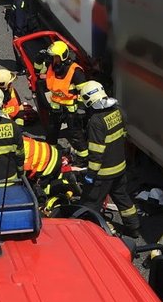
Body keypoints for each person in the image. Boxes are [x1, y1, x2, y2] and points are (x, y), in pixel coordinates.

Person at [76, 81, 141, 239]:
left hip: (103, 173)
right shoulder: (117, 111)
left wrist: (91, 174)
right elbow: (123, 136)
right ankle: (134, 228)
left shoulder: (96, 121)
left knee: (91, 203)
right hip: (120, 167)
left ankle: (89, 234)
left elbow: (97, 152)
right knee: (122, 198)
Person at [44, 40, 86, 152]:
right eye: (52, 57)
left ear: (63, 56)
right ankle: (50, 153)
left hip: (71, 110)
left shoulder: (75, 71)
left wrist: (81, 108)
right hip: (56, 107)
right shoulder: (52, 67)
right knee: (51, 132)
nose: (54, 60)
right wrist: (39, 60)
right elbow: (39, 72)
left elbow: (83, 91)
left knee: (76, 134)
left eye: (56, 57)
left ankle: (82, 157)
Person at [4, 0, 31, 74]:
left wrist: (17, 33)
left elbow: (19, 19)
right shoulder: (17, 1)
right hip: (17, 29)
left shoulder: (19, 3)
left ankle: (23, 67)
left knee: (20, 49)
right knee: (17, 48)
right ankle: (19, 65)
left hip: (20, 31)